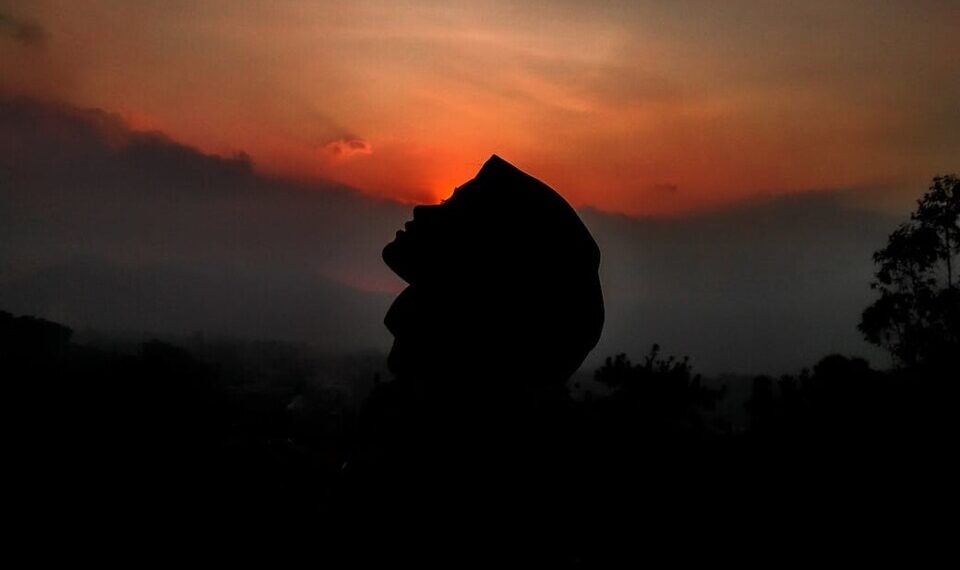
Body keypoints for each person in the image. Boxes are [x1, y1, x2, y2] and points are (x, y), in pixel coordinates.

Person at [345, 155, 603, 552]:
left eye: (451, 207)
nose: (421, 209)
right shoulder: (430, 410)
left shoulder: (443, 436)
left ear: (484, 259)